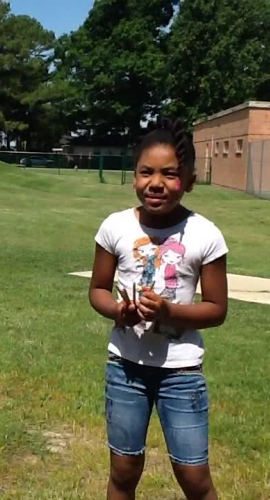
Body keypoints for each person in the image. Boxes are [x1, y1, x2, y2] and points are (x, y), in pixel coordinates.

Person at [89, 118, 228, 500]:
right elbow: (98, 289)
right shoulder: (115, 226)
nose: (156, 182)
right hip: (126, 370)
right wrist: (119, 311)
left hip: (181, 373)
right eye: (146, 172)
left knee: (194, 476)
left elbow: (217, 309)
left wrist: (169, 312)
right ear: (132, 176)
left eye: (170, 174)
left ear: (190, 179)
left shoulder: (205, 234)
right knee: (123, 470)